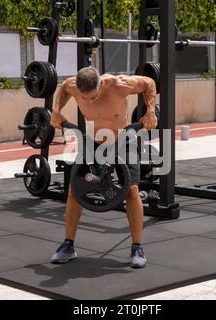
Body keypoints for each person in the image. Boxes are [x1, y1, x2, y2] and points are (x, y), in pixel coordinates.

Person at [50, 66, 158, 268]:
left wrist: (150, 111)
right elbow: (63, 87)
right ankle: (68, 245)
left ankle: (137, 247)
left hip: (123, 138)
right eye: (85, 99)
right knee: (75, 190)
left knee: (132, 191)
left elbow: (149, 84)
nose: (89, 101)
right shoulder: (73, 85)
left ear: (101, 84)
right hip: (93, 141)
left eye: (93, 97)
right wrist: (56, 111)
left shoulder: (119, 84)